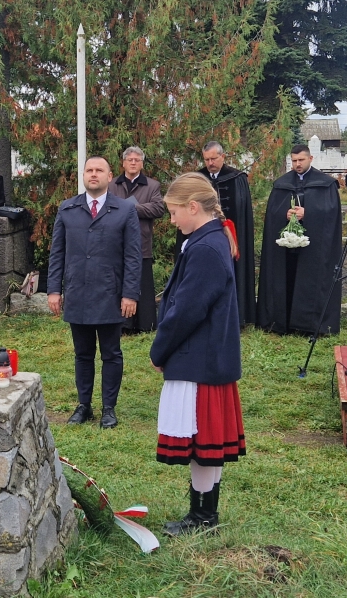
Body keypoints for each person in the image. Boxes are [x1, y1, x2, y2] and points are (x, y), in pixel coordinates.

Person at [151, 173, 244, 536]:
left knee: (202, 444)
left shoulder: (205, 247)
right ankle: (204, 514)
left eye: (174, 212)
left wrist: (160, 350)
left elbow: (187, 310)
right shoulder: (207, 238)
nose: (171, 220)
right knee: (207, 443)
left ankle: (202, 518)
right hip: (207, 357)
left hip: (199, 359)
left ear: (193, 207)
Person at [47, 156, 141, 429]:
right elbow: (58, 254)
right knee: (82, 353)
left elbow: (133, 257)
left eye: (99, 170)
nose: (93, 174)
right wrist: (54, 290)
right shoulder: (67, 209)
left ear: (110, 176)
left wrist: (130, 294)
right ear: (83, 175)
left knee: (111, 353)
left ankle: (109, 408)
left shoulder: (124, 210)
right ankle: (84, 405)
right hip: (78, 292)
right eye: (89, 170)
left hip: (111, 294)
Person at [256, 144, 342, 335]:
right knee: (285, 277)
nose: (297, 164)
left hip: (315, 247)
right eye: (294, 161)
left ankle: (308, 325)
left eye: (301, 160)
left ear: (310, 159)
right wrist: (285, 215)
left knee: (311, 280)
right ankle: (282, 322)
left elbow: (332, 213)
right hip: (286, 248)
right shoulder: (282, 183)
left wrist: (308, 213)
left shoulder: (325, 183)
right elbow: (273, 213)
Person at [197, 141, 256, 327]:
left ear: (223, 157)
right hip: (205, 233)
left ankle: (235, 315)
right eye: (206, 159)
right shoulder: (198, 178)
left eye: (214, 158)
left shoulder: (237, 178)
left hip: (232, 234)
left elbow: (242, 211)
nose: (210, 163)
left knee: (232, 271)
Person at [107, 146, 165, 333]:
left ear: (142, 163)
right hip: (115, 242)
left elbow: (158, 209)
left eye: (137, 160)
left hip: (141, 242)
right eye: (129, 160)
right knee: (118, 284)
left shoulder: (152, 185)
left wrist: (130, 208)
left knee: (143, 284)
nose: (133, 163)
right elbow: (106, 207)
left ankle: (145, 325)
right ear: (123, 163)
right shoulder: (112, 185)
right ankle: (122, 325)